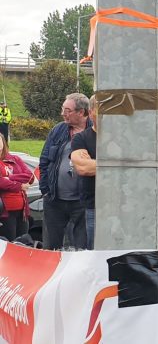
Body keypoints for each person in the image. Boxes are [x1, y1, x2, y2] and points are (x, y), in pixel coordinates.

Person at [39, 93, 92, 250]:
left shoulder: (94, 132)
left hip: (82, 203)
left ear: (81, 112)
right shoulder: (58, 130)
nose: (63, 113)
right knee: (50, 249)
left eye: (67, 110)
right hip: (54, 200)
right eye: (63, 109)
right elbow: (44, 161)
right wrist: (45, 191)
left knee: (81, 249)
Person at [71, 95, 98, 250]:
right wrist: (117, 164)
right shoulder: (81, 138)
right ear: (91, 111)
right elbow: (83, 168)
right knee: (94, 252)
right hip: (93, 206)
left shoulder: (121, 139)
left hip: (121, 206)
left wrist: (94, 162)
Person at [0, 133, 32, 241]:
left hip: (22, 210)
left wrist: (9, 177)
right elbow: (1, 182)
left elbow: (29, 176)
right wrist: (20, 186)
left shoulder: (15, 159)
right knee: (10, 244)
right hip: (5, 212)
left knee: (23, 243)